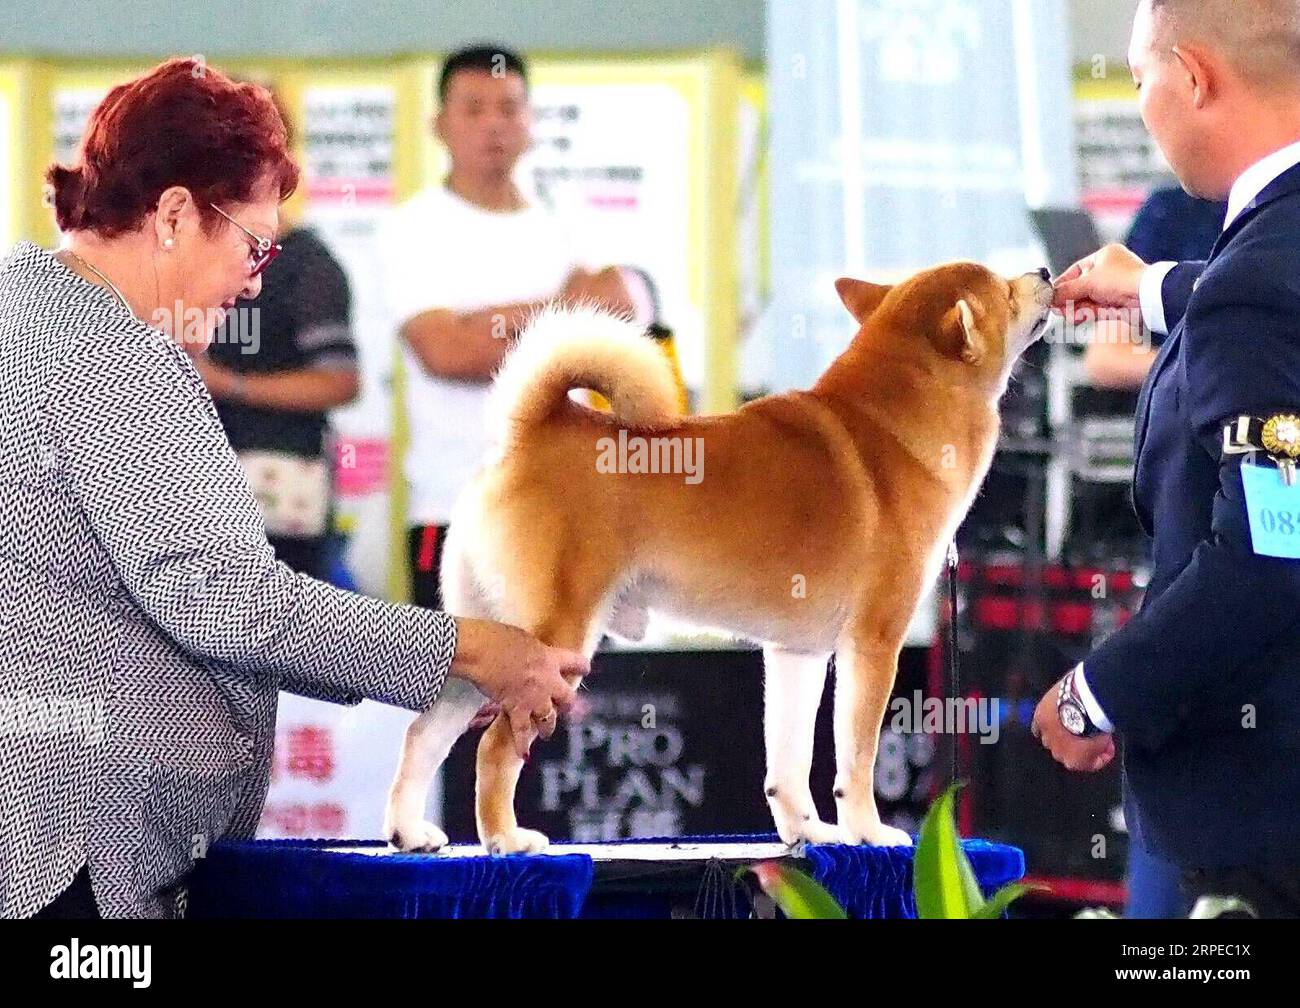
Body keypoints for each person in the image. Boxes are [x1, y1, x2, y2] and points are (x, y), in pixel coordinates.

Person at [1, 57, 585, 920]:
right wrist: (468, 651)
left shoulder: (30, 306)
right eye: (251, 242)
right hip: (76, 859)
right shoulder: (112, 356)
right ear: (171, 216)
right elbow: (220, 597)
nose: (257, 277)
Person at [1034, 0, 1300, 917]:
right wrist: (1152, 289)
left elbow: (1275, 547)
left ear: (1193, 77)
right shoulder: (1261, 269)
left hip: (1270, 823)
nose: (1143, 101)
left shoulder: (1255, 287)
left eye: (1142, 77)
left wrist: (1100, 693)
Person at [379, 45, 632, 610]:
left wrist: (492, 323)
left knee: (562, 687)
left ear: (531, 122)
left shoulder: (567, 221)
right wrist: (565, 311)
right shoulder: (412, 228)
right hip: (451, 508)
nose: (494, 123)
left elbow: (615, 321)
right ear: (439, 125)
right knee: (458, 692)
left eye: (509, 107)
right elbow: (446, 353)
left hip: (566, 502)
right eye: (473, 108)